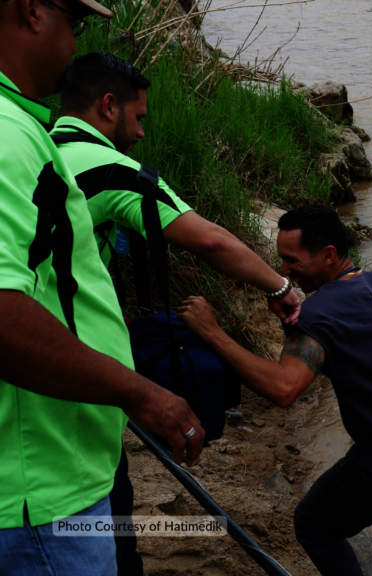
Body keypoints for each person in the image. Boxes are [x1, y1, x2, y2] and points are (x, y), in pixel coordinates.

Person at [48, 50, 303, 576]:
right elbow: (207, 238)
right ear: (108, 106)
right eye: (138, 118)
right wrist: (279, 286)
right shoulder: (108, 168)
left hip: (50, 363)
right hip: (72, 380)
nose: (141, 134)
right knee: (104, 510)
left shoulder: (43, 149)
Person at [0, 0, 205, 573]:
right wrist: (141, 393)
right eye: (77, 22)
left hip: (49, 469)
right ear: (31, 11)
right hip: (38, 494)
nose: (75, 43)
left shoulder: (30, 131)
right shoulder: (9, 138)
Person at [179, 204, 372, 576]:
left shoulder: (316, 314)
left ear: (328, 255)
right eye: (281, 261)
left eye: (292, 260)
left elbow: (284, 388)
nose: (283, 272)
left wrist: (212, 333)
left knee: (315, 526)